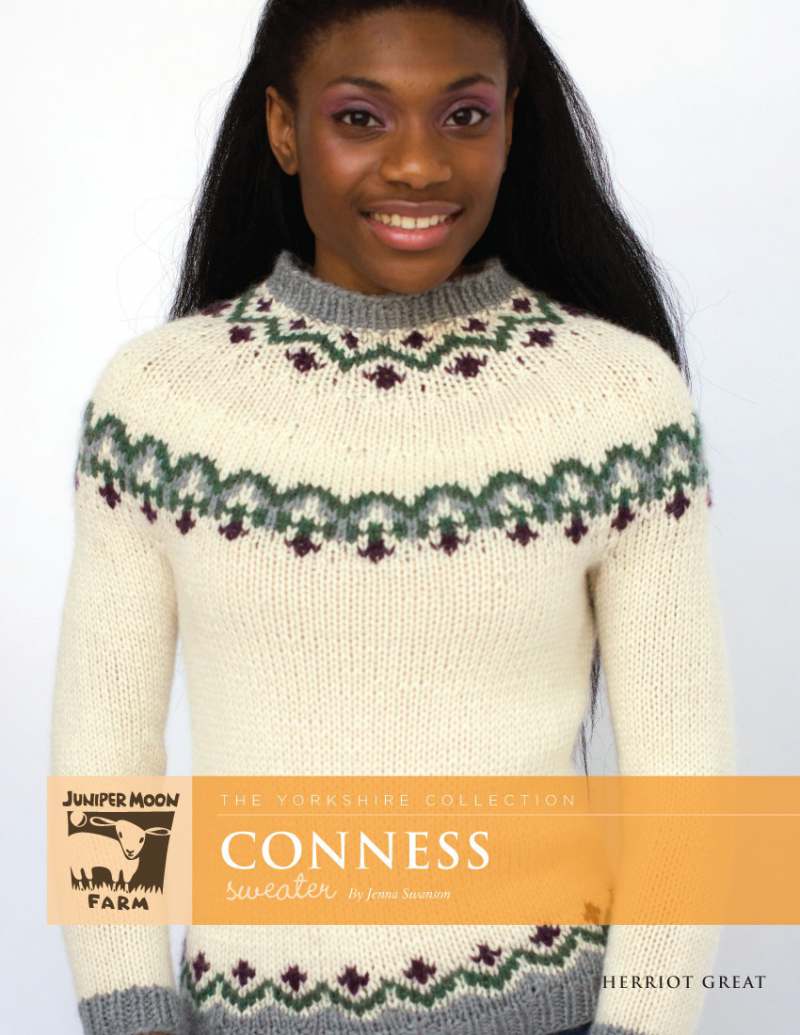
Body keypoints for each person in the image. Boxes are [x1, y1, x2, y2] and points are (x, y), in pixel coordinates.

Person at [49, 2, 737, 1034]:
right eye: (361, 118)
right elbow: (105, 769)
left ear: (511, 124)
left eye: (464, 116)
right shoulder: (160, 407)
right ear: (284, 129)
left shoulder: (615, 404)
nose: (418, 164)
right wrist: (130, 1015)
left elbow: (683, 780)